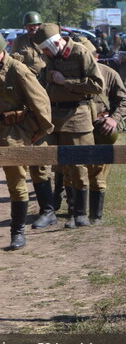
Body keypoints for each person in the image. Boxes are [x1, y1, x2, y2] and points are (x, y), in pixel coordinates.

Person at [0, 29, 53, 253]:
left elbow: (41, 102)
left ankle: (17, 233)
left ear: (0, 51)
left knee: (17, 186)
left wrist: (37, 131)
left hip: (14, 136)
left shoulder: (18, 70)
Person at [32, 23, 103, 228]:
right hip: (53, 117)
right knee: (45, 161)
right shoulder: (50, 57)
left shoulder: (81, 53)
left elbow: (97, 85)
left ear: (55, 42)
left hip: (77, 116)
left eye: (45, 49)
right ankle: (49, 211)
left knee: (78, 164)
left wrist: (66, 81)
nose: (44, 53)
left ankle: (79, 213)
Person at [10, 11, 58, 229]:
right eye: (30, 26)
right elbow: (12, 64)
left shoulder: (49, 41)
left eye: (36, 26)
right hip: (26, 99)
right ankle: (47, 209)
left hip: (48, 97)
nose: (33, 29)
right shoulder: (19, 42)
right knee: (32, 158)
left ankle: (52, 207)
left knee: (46, 158)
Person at [70, 38, 125, 224]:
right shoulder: (71, 74)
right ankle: (77, 214)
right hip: (76, 128)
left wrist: (114, 119)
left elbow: (123, 100)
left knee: (99, 173)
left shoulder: (108, 73)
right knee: (75, 171)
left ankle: (96, 216)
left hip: (101, 129)